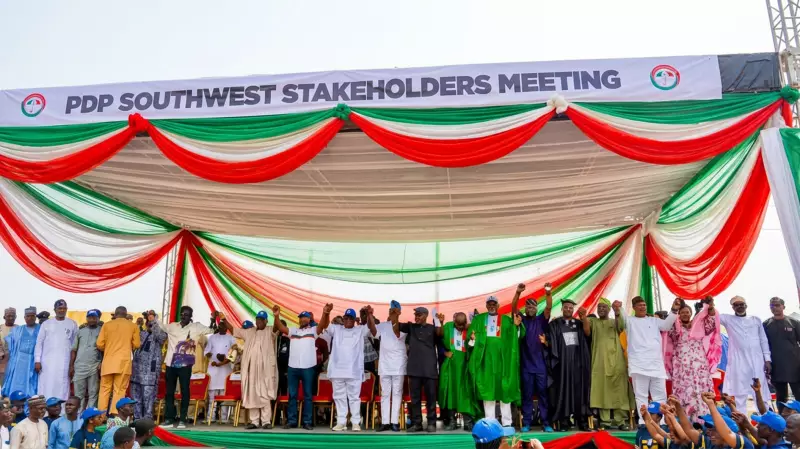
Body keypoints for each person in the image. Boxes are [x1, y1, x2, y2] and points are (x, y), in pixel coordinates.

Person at [468, 295, 524, 427]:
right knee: (488, 393)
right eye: (489, 304)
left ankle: (507, 423)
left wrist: (516, 326)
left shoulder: (505, 320)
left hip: (502, 362)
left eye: (494, 304)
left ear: (498, 306)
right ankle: (490, 424)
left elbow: (515, 337)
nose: (492, 306)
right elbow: (470, 342)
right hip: (485, 363)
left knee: (504, 390)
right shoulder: (478, 320)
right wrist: (472, 339)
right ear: (486, 306)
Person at [624, 296, 681, 425]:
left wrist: (674, 310)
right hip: (639, 365)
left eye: (644, 305)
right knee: (641, 396)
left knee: (660, 396)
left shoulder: (654, 320)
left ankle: (662, 423)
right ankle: (644, 422)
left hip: (656, 365)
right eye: (639, 305)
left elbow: (666, 326)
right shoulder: (629, 321)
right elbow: (621, 319)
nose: (642, 307)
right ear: (633, 308)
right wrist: (619, 309)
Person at [580, 299, 633, 431]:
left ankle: (620, 421)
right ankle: (605, 421)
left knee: (619, 390)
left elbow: (621, 326)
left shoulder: (614, 321)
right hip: (600, 361)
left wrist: (617, 311)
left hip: (617, 361)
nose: (601, 309)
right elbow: (587, 331)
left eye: (604, 307)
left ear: (609, 309)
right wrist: (583, 317)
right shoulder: (594, 321)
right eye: (599, 307)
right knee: (602, 389)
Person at [663, 299, 720, 422]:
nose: (685, 314)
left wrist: (709, 307)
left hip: (699, 363)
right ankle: (685, 418)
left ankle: (703, 418)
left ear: (690, 313)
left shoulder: (699, 325)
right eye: (682, 312)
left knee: (701, 388)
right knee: (684, 388)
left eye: (687, 312)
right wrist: (674, 308)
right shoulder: (675, 327)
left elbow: (711, 323)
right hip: (682, 364)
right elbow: (668, 326)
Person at [273, 308, 329, 431]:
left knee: (308, 395)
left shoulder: (313, 330)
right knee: (292, 395)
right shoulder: (293, 330)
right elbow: (281, 327)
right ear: (299, 319)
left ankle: (307, 422)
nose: (303, 319)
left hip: (308, 367)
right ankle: (292, 421)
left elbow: (323, 325)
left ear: (309, 319)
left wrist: (325, 313)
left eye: (306, 317)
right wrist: (276, 316)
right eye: (301, 317)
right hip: (293, 367)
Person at [225, 310, 282, 430]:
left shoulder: (270, 331)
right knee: (252, 394)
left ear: (266, 321)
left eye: (262, 319)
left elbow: (277, 326)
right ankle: (255, 421)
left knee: (265, 394)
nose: (259, 321)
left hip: (265, 371)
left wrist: (276, 316)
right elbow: (234, 330)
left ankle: (266, 421)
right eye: (257, 319)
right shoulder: (249, 332)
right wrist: (223, 319)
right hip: (251, 371)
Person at [159, 307, 215, 429]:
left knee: (185, 391)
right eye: (182, 314)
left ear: (191, 316)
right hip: (170, 363)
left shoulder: (196, 327)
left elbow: (211, 329)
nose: (183, 316)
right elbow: (161, 326)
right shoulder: (173, 326)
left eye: (186, 315)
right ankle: (169, 419)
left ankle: (183, 420)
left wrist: (213, 319)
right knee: (169, 392)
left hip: (185, 364)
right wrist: (153, 318)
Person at [319, 306, 371, 432]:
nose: (348, 320)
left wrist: (368, 314)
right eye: (346, 317)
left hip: (354, 371)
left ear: (354, 320)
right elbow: (324, 326)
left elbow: (370, 327)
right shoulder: (336, 329)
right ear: (343, 319)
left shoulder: (360, 330)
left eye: (350, 318)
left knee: (354, 398)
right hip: (337, 371)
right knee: (339, 397)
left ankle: (355, 422)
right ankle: (341, 422)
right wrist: (326, 313)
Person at [542, 298, 590, 431]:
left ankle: (582, 422)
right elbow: (551, 343)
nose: (568, 309)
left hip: (578, 364)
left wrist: (584, 317)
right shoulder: (555, 324)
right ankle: (564, 422)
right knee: (563, 392)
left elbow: (587, 333)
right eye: (566, 307)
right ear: (562, 308)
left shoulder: (579, 323)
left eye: (571, 307)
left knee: (579, 393)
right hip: (563, 364)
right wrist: (547, 343)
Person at [512, 283, 553, 433]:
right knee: (527, 395)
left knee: (543, 394)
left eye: (533, 306)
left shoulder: (541, 320)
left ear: (536, 308)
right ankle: (527, 422)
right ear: (525, 309)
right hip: (526, 366)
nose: (530, 308)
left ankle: (546, 423)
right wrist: (517, 293)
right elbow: (513, 308)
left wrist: (548, 293)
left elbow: (548, 308)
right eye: (528, 306)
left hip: (540, 366)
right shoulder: (521, 320)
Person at [720, 296, 772, 413]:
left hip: (757, 361)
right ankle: (742, 425)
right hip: (739, 362)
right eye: (736, 305)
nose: (739, 306)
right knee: (740, 394)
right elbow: (713, 316)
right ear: (732, 307)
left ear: (746, 305)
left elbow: (763, 340)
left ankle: (766, 422)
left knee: (760, 391)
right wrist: (707, 305)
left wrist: (767, 359)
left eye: (741, 304)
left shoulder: (755, 320)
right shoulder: (728, 319)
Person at [393, 306, 440, 433]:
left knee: (431, 398)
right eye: (416, 315)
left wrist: (439, 321)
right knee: (415, 399)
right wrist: (395, 316)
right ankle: (417, 423)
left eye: (419, 315)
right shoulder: (411, 327)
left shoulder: (432, 328)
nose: (416, 317)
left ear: (426, 315)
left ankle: (431, 423)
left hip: (429, 369)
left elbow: (440, 334)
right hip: (414, 368)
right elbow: (396, 328)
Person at [438, 311, 479, 432]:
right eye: (458, 324)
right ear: (454, 321)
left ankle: (468, 421)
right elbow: (438, 339)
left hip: (464, 365)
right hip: (451, 365)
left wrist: (472, 340)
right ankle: (451, 421)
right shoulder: (448, 326)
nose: (460, 327)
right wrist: (444, 353)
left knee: (465, 393)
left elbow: (473, 346)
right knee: (451, 392)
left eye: (463, 324)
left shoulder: (470, 329)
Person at [96, 307, 141, 416]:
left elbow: (99, 344)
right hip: (123, 363)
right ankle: (114, 414)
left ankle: (101, 416)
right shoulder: (133, 326)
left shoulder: (106, 325)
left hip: (108, 362)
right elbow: (137, 344)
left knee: (104, 390)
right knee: (119, 390)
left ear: (115, 315)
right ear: (126, 315)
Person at [35, 300, 78, 403]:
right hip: (47, 363)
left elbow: (75, 345)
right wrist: (37, 360)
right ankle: (44, 412)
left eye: (64, 308)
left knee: (62, 386)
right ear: (55, 310)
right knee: (46, 386)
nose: (62, 310)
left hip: (64, 363)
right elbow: (39, 343)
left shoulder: (72, 323)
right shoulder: (46, 324)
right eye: (59, 308)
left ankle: (61, 412)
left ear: (66, 309)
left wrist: (73, 364)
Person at [764, 297, 800, 415]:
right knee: (781, 397)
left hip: (794, 365)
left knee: (798, 394)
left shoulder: (794, 322)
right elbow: (763, 345)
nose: (775, 308)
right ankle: (782, 420)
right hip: (776, 366)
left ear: (783, 307)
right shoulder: (766, 325)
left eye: (777, 305)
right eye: (772, 306)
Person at [129, 311, 166, 421]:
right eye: (148, 323)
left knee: (148, 397)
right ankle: (137, 418)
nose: (150, 325)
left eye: (152, 323)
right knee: (136, 396)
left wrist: (153, 322)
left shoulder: (161, 334)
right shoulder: (141, 333)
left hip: (150, 371)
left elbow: (161, 338)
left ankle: (147, 420)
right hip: (136, 370)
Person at [2, 308, 40, 398]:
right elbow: (9, 345)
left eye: (32, 316)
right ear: (24, 317)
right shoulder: (17, 330)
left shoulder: (41, 329)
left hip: (34, 361)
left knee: (32, 384)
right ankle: (16, 404)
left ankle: (30, 406)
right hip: (19, 362)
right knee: (17, 383)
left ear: (35, 317)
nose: (30, 318)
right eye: (28, 316)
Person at [204, 321, 236, 424]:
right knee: (212, 395)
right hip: (213, 368)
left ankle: (224, 418)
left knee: (224, 395)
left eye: (224, 325)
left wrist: (224, 358)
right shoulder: (212, 337)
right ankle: (211, 417)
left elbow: (234, 353)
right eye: (220, 325)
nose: (221, 327)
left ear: (227, 327)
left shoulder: (231, 338)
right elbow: (206, 351)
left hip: (225, 369)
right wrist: (211, 356)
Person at [70, 310, 102, 411]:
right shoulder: (80, 331)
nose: (92, 319)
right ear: (87, 318)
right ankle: (78, 416)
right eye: (90, 317)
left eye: (94, 317)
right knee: (79, 394)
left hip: (94, 366)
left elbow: (105, 349)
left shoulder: (102, 331)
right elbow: (74, 350)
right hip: (79, 366)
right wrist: (71, 366)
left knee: (93, 393)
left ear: (98, 319)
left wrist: (101, 362)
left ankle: (90, 417)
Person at [0, 309, 17, 392]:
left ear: (16, 317)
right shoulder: (0, 328)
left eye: (13, 316)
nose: (11, 318)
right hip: (3, 362)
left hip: (16, 362)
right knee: (4, 386)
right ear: (4, 317)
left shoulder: (19, 328)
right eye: (8, 316)